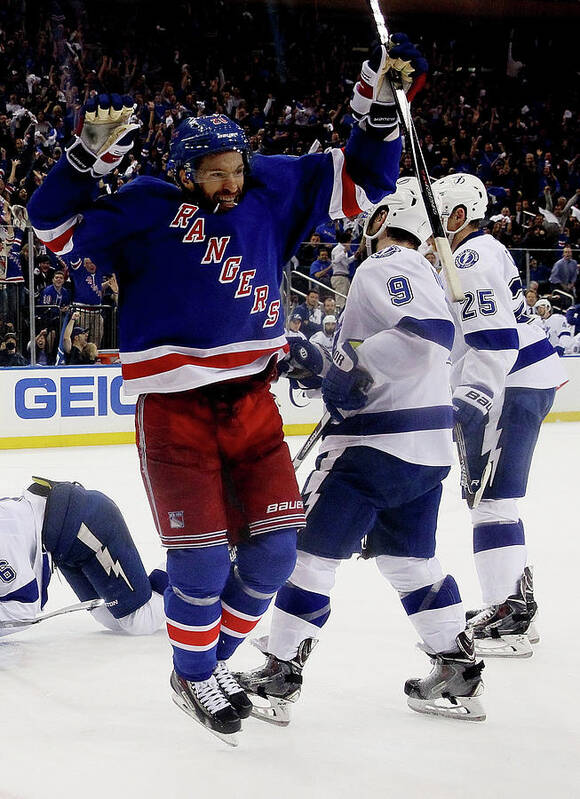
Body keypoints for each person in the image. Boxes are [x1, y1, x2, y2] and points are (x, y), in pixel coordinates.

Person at [28, 36, 426, 745]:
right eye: (214, 175)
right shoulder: (147, 204)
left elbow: (364, 183)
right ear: (183, 172)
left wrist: (382, 114)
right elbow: (51, 224)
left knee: (275, 553)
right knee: (205, 559)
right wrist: (84, 162)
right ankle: (195, 668)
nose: (230, 185)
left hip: (252, 404)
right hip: (176, 413)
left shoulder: (269, 185)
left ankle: (201, 668)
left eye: (235, 170)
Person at [236, 179, 485, 724]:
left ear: (384, 220)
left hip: (373, 447)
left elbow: (428, 336)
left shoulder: (385, 263)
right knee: (410, 560)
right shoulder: (423, 271)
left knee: (307, 554)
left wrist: (349, 366)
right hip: (425, 450)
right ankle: (455, 670)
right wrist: (330, 360)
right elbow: (412, 341)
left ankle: (279, 674)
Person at [432, 174, 566, 657]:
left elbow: (494, 340)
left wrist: (474, 399)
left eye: (437, 215)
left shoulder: (469, 256)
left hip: (508, 384)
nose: (429, 229)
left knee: (490, 501)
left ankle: (508, 614)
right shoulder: (480, 251)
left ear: (459, 216)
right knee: (493, 500)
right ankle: (514, 605)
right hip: (521, 381)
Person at [0, 477, 166, 638]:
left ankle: (186, 565)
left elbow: (23, 607)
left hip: (90, 522)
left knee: (141, 620)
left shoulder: (5, 541)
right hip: (66, 545)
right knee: (109, 617)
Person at [330, 231, 356, 310]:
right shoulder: (337, 249)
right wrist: (344, 251)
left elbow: (345, 262)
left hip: (344, 277)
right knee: (340, 300)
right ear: (347, 241)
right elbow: (335, 261)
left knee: (346, 299)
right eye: (350, 242)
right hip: (339, 277)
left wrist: (355, 257)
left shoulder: (343, 250)